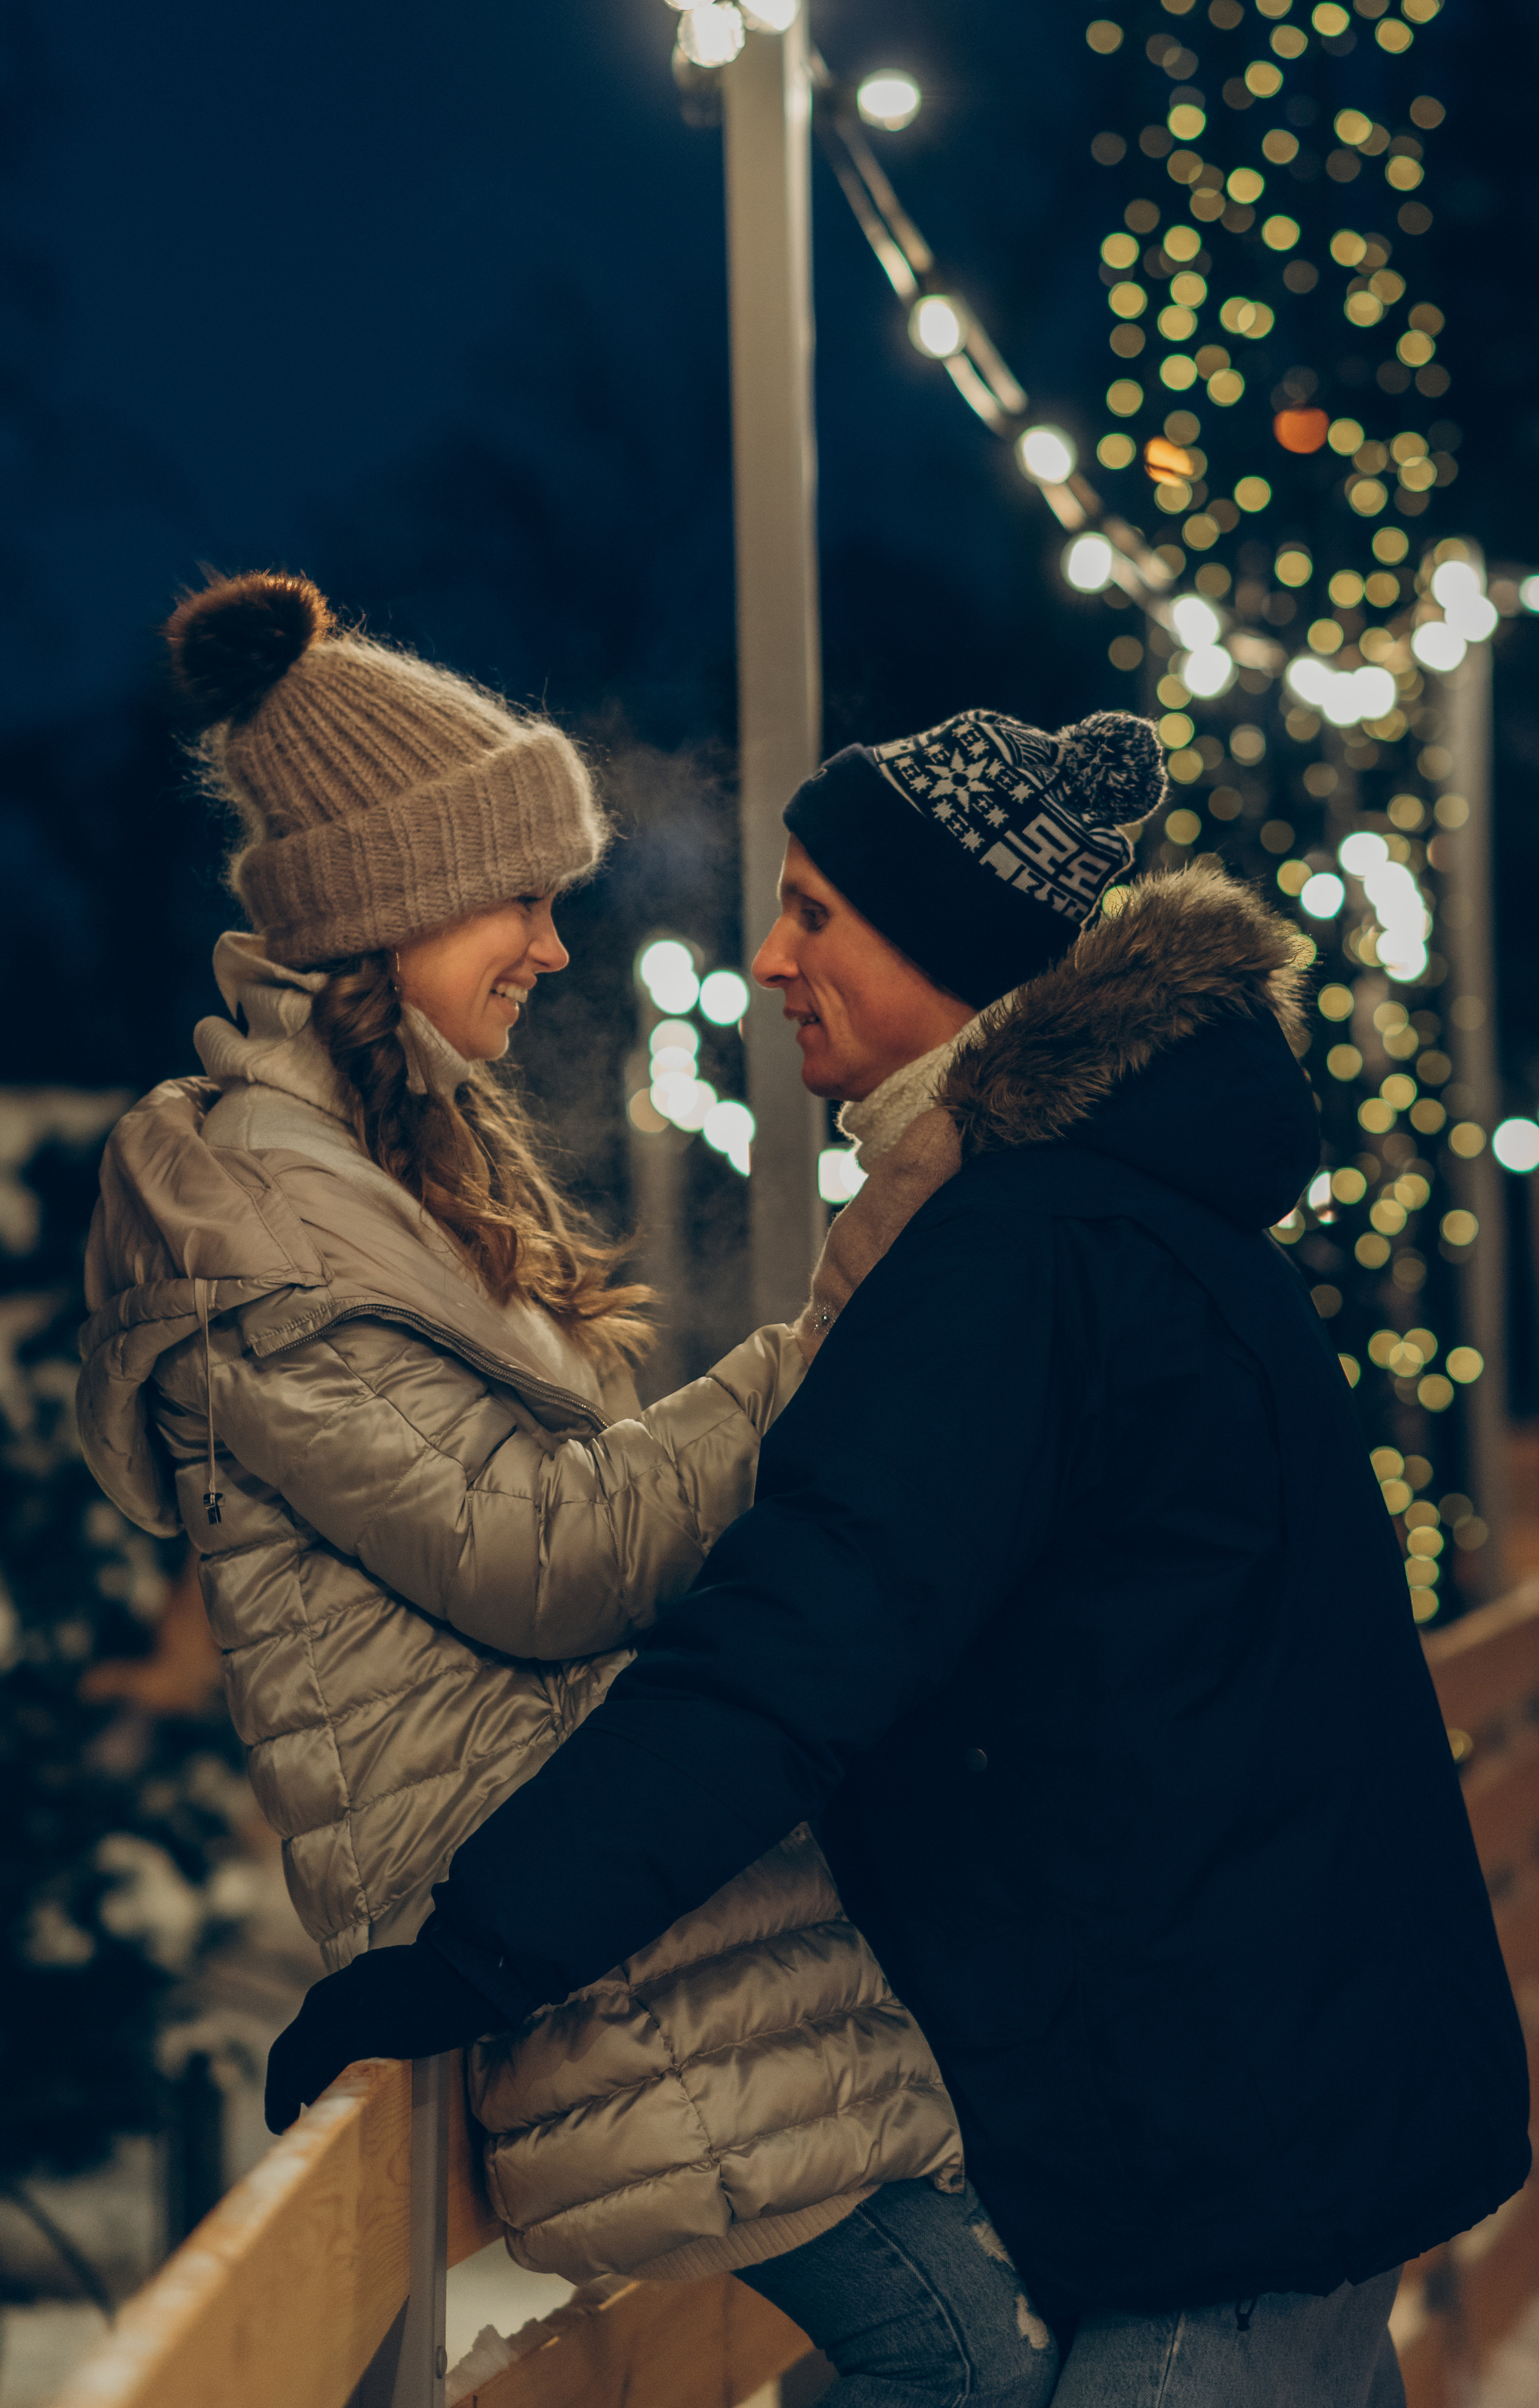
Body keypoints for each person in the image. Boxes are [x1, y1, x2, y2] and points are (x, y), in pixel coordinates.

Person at [269, 704, 1534, 2406]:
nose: (774, 960)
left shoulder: (1024, 1249)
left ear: (945, 943)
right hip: (1256, 2110)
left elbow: (792, 1646)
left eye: (817, 913)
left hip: (1220, 2153)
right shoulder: (1122, 1217)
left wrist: (479, 1946)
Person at [77, 574, 1058, 2408]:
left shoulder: (389, 1182)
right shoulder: (261, 1231)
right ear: (392, 908)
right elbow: (546, 1553)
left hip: (656, 1915)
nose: (550, 942)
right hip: (592, 1957)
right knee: (978, 2369)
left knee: (981, 2356)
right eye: (518, 896)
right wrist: (844, 1326)